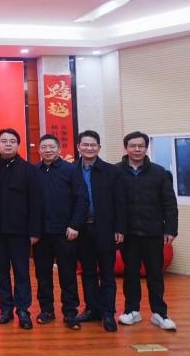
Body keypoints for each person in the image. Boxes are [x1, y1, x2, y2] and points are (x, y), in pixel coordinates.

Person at [116, 131, 178, 331]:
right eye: (132, 146)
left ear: (146, 148)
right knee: (131, 274)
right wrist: (117, 228)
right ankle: (131, 311)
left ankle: (160, 313)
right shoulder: (116, 172)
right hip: (128, 234)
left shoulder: (159, 172)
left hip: (153, 233)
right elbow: (112, 204)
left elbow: (170, 204)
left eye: (141, 146)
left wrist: (170, 229)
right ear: (126, 148)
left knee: (155, 275)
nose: (137, 149)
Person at [0, 128, 42, 330]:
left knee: (21, 271)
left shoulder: (29, 169)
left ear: (18, 145)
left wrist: (34, 231)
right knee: (1, 272)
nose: (8, 144)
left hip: (20, 231)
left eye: (12, 141)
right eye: (4, 141)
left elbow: (35, 202)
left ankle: (23, 310)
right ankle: (5, 308)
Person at [33, 134, 88, 330]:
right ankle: (46, 310)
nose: (47, 150)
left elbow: (82, 199)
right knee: (42, 274)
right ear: (39, 150)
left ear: (59, 149)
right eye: (44, 147)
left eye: (51, 147)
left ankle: (70, 312)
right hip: (41, 234)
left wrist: (75, 225)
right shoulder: (34, 171)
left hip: (66, 232)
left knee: (68, 274)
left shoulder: (71, 170)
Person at [74, 130, 126, 333]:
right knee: (87, 272)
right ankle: (92, 309)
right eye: (85, 145)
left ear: (99, 147)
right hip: (82, 230)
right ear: (78, 147)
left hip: (105, 228)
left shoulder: (111, 171)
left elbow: (120, 202)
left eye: (93, 145)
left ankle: (108, 313)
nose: (89, 148)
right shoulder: (71, 170)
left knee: (107, 274)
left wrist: (120, 228)